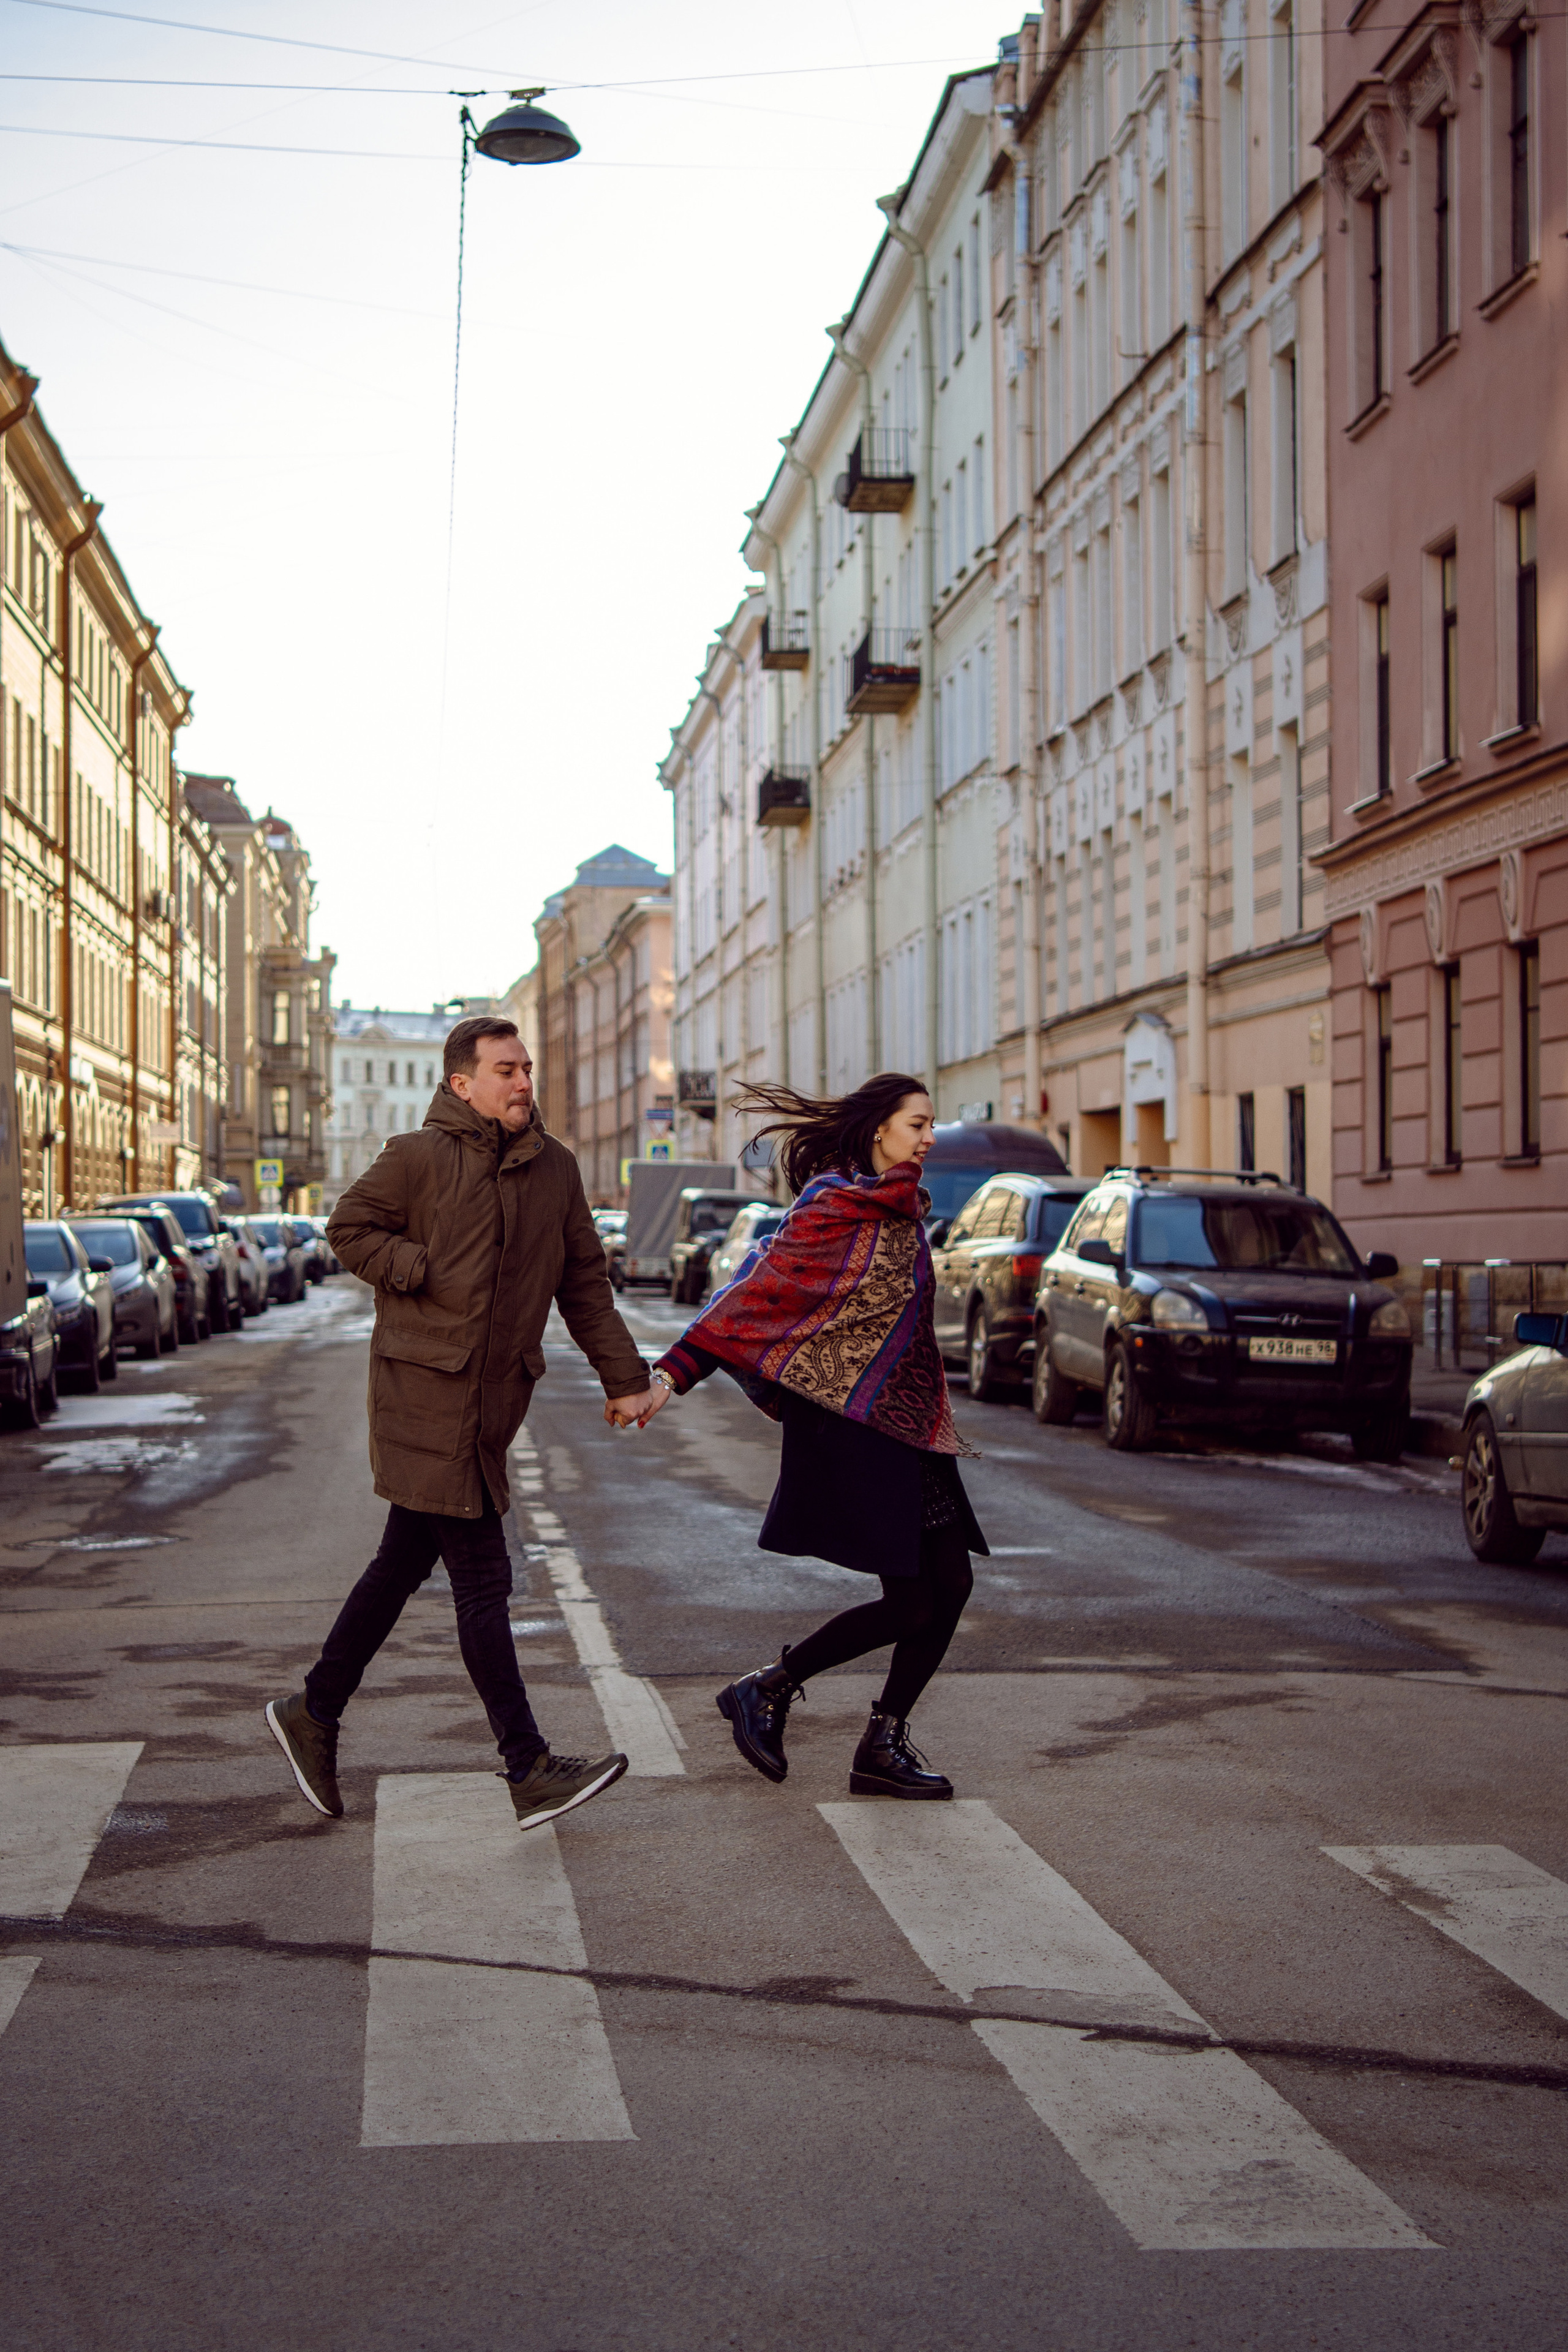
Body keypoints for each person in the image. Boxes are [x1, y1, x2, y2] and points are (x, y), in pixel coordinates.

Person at [264, 1017, 663, 1833]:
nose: (523, 1083)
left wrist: (626, 1379)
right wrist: (419, 1271)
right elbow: (349, 1230)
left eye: (526, 1069)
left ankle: (314, 1709)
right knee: (483, 1579)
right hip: (424, 1395)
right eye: (506, 1071)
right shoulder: (416, 1157)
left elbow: (584, 1283)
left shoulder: (555, 1170)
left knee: (400, 1562)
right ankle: (528, 1766)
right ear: (461, 1085)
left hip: (492, 1402)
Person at [644, 1073, 987, 1800]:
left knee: (947, 1585)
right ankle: (771, 1690)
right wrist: (668, 1377)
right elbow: (748, 1303)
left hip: (909, 1424)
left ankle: (875, 1742)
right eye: (918, 1124)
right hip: (852, 1425)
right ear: (878, 1131)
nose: (929, 1137)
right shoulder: (830, 1212)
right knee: (914, 1602)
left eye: (931, 1125)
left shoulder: (902, 1210)